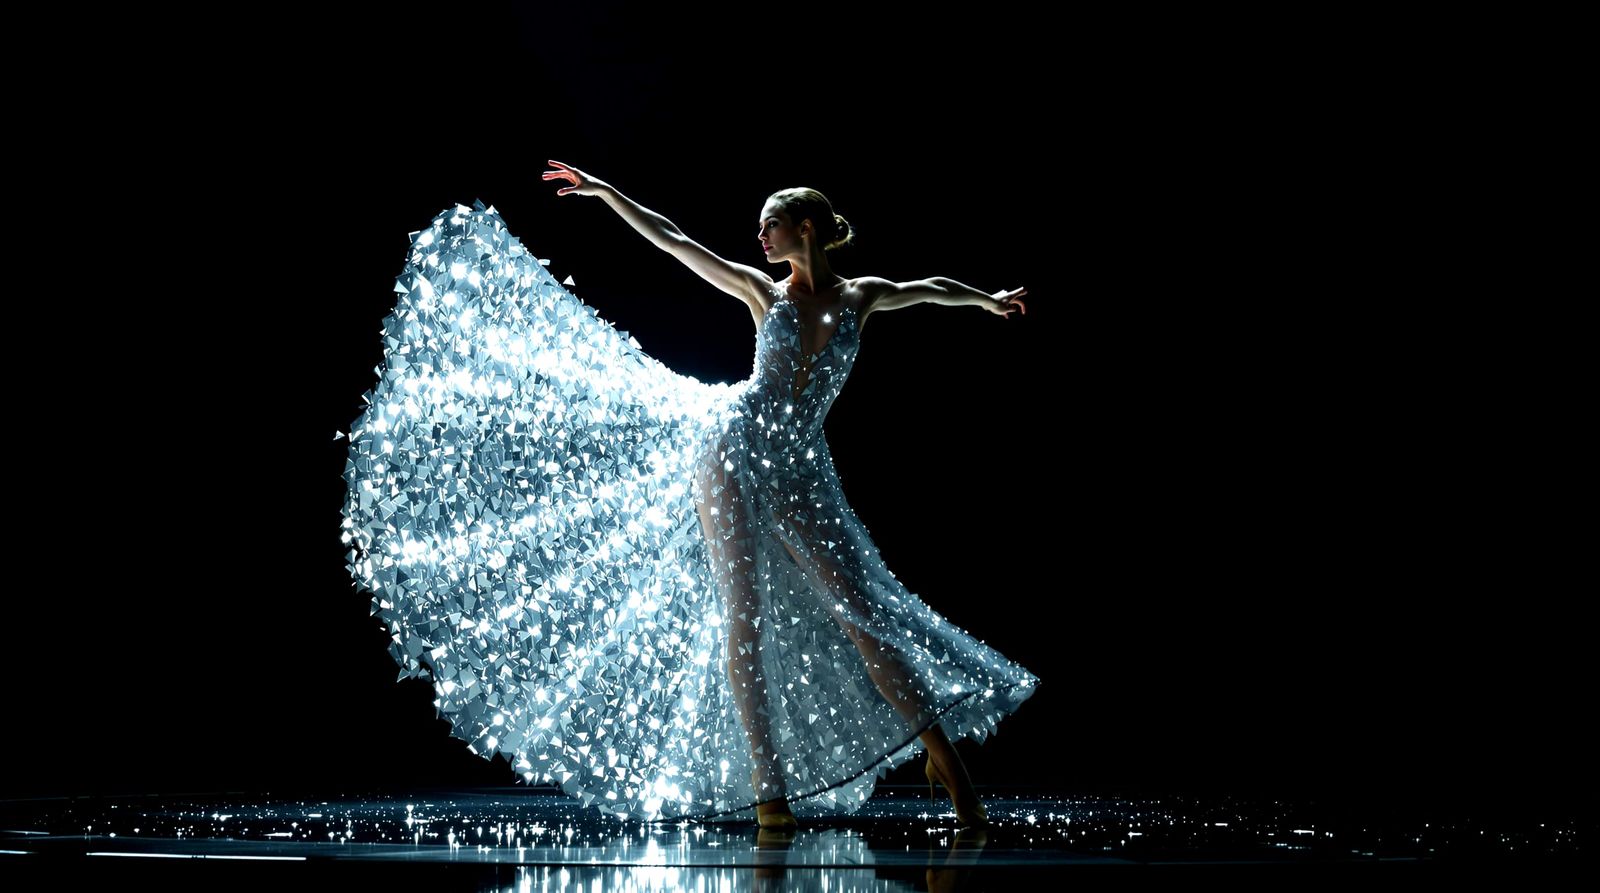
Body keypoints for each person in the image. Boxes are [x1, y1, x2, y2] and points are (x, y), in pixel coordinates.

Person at [340, 165, 1039, 831]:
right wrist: (607, 192)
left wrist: (984, 299)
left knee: (862, 610)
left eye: (772, 224)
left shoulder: (862, 295)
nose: (760, 237)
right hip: (733, 448)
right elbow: (674, 240)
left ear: (807, 227)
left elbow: (930, 286)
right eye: (761, 227)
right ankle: (771, 792)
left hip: (799, 464)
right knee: (746, 610)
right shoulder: (763, 292)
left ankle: (948, 765)